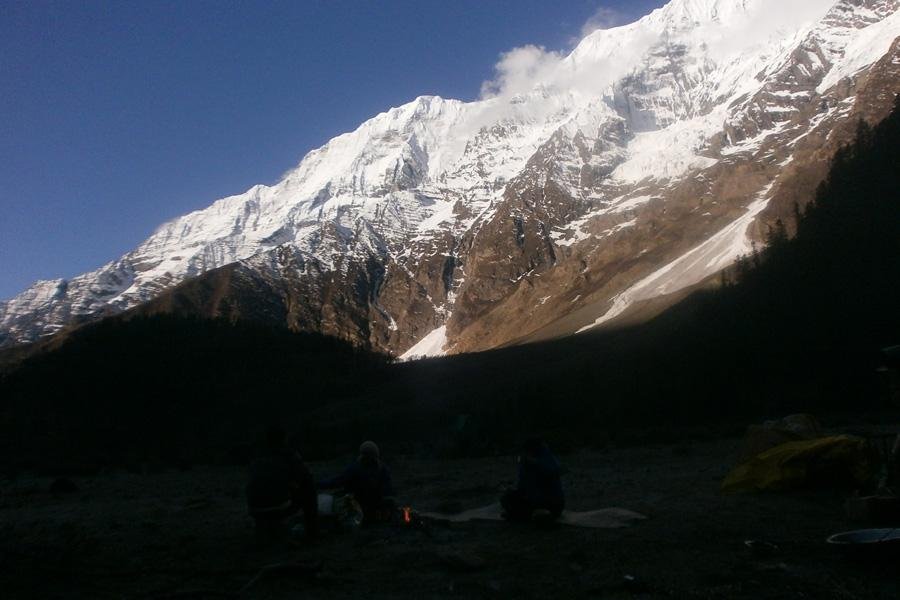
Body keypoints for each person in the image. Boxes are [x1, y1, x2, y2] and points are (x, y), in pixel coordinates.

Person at [246, 425, 318, 538]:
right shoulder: (289, 455)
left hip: (253, 508)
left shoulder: (257, 456)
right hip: (277, 506)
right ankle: (312, 532)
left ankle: (265, 527)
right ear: (284, 439)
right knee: (309, 488)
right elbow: (304, 476)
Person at [318, 441, 395, 523]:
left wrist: (319, 484)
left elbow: (337, 481)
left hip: (358, 506)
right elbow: (388, 490)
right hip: (374, 507)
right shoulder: (382, 469)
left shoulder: (356, 468)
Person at [501, 438, 565, 521]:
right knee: (507, 498)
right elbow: (523, 486)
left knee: (515, 502)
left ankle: (535, 514)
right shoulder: (528, 462)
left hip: (550, 503)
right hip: (541, 500)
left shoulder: (544, 461)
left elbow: (549, 477)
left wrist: (534, 464)